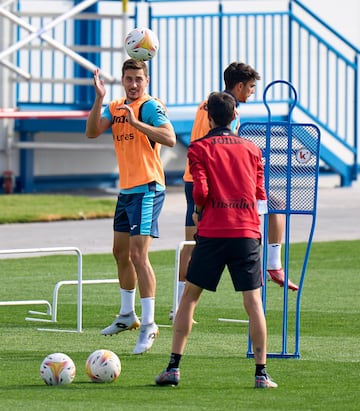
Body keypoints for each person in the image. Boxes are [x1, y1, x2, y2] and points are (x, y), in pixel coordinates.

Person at [155, 91, 277, 388]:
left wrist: (198, 212)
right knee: (254, 303)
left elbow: (201, 191)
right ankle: (261, 373)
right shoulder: (252, 149)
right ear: (235, 115)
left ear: (208, 116)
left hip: (212, 231)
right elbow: (260, 194)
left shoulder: (199, 147)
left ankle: (174, 366)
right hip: (246, 231)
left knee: (191, 297)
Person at [174, 62, 297, 317]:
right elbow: (217, 147)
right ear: (239, 86)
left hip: (193, 178)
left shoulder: (207, 103)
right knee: (275, 204)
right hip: (212, 180)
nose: (252, 92)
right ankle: (274, 264)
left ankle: (179, 305)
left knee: (190, 243)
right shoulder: (229, 112)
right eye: (251, 87)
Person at [86, 59, 176, 354]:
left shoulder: (150, 106)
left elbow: (170, 138)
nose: (133, 84)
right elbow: (91, 131)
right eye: (128, 79)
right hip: (127, 190)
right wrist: (99, 97)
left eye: (138, 79)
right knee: (119, 252)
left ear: (146, 81)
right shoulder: (114, 106)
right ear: (122, 80)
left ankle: (149, 325)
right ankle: (127, 315)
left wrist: (137, 123)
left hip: (149, 188)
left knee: (139, 254)